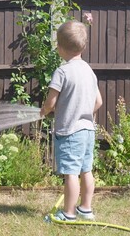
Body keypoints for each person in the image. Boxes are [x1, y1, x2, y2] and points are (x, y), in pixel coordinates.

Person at [40, 20, 103, 221]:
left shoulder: (62, 72)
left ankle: (68, 213)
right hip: (88, 130)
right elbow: (99, 102)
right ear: (83, 47)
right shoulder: (89, 72)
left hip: (70, 132)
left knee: (71, 174)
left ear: (59, 47)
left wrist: (43, 112)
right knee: (86, 170)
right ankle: (86, 209)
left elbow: (51, 103)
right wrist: (83, 112)